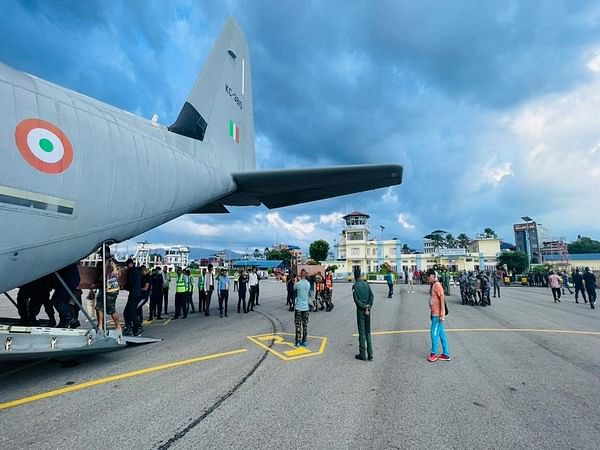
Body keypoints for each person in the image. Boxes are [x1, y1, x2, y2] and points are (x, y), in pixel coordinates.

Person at [427, 268, 449, 362]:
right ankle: (446, 354)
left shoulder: (437, 285)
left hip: (438, 314)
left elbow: (442, 299)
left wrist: (442, 314)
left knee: (433, 333)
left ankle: (434, 353)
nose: (428, 278)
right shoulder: (433, 285)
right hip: (434, 313)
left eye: (429, 276)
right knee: (441, 334)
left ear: (433, 276)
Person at [95, 256, 122, 333]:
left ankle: (117, 326)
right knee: (99, 307)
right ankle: (101, 326)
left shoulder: (107, 262)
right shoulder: (114, 262)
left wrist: (96, 281)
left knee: (110, 309)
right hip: (110, 288)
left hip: (109, 288)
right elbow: (118, 273)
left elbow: (104, 274)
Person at [353, 270, 374, 361]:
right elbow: (372, 296)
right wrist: (368, 306)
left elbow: (356, 300)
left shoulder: (355, 286)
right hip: (368, 310)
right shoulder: (366, 284)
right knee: (368, 332)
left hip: (361, 310)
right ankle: (370, 353)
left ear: (355, 276)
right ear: (361, 275)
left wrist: (364, 306)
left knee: (362, 332)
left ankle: (363, 354)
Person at [123, 259, 142, 336]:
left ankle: (135, 327)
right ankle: (131, 327)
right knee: (129, 312)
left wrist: (124, 286)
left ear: (130, 264)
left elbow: (130, 283)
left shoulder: (131, 272)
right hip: (137, 294)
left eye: (127, 265)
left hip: (133, 295)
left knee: (129, 312)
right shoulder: (137, 271)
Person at [293, 269, 311, 347]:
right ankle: (305, 341)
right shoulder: (308, 284)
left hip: (298, 307)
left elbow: (294, 289)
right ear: (306, 275)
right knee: (305, 325)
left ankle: (298, 341)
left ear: (300, 275)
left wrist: (296, 281)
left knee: (298, 325)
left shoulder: (298, 284)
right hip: (305, 307)